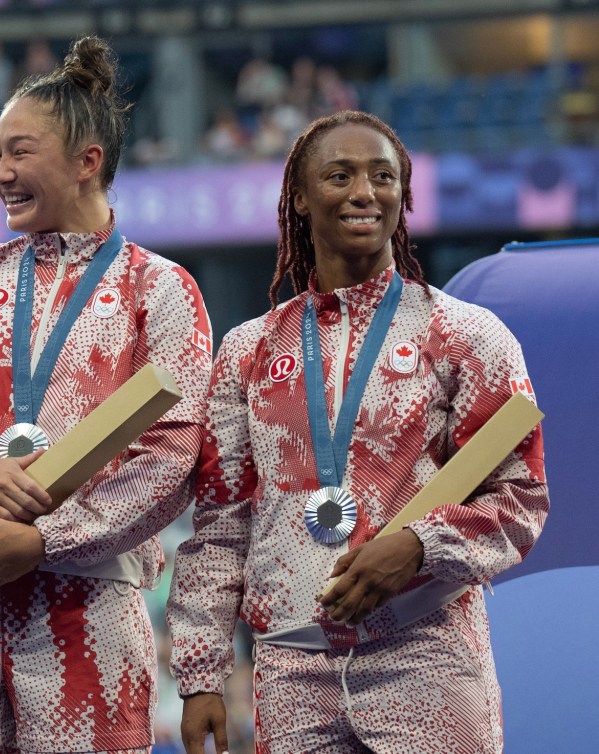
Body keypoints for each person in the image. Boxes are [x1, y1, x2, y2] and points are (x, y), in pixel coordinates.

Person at [0, 36, 213, 753]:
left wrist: (45, 541)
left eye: (19, 152)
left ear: (88, 160)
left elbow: (174, 455)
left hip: (88, 606)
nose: (0, 172)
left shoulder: (159, 289)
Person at [167, 110, 548, 754]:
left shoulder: (465, 335)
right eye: (339, 175)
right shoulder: (247, 351)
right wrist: (202, 675)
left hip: (427, 651)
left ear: (403, 194)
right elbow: (222, 523)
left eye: (383, 176)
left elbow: (520, 498)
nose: (364, 192)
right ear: (299, 197)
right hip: (291, 669)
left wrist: (420, 548)